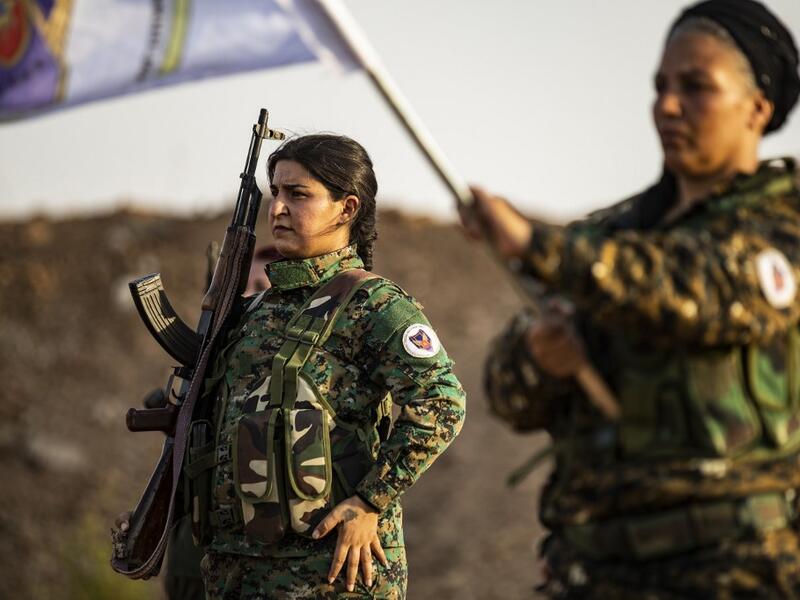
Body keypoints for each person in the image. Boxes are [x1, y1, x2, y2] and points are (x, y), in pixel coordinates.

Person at [460, 1, 800, 597]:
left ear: (757, 108)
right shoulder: (608, 236)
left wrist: (537, 245)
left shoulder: (783, 222)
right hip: (595, 570)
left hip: (736, 571)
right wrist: (540, 358)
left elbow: (707, 288)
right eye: (661, 87)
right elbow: (506, 394)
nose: (667, 106)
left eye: (695, 88)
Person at [186, 134, 465, 599]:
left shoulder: (372, 304)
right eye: (276, 192)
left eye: (298, 195)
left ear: (346, 207)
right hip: (238, 573)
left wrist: (371, 500)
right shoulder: (254, 312)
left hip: (329, 576)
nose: (277, 208)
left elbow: (442, 403)